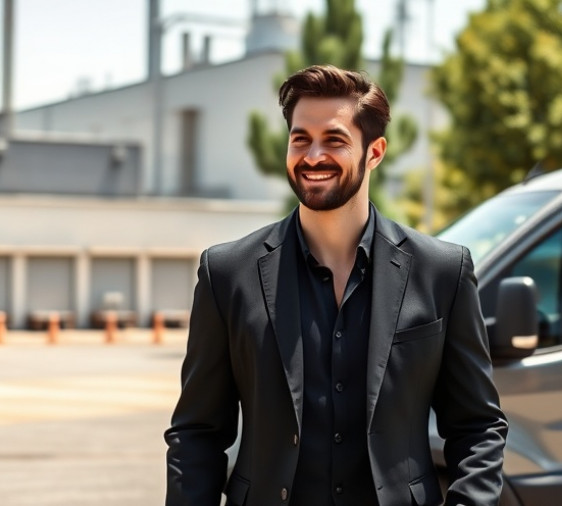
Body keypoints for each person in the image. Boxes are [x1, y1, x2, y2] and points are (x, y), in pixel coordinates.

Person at [164, 64, 507, 506]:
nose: (312, 156)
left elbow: (477, 427)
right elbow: (197, 433)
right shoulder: (226, 273)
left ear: (375, 151)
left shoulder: (442, 271)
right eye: (300, 139)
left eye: (335, 140)